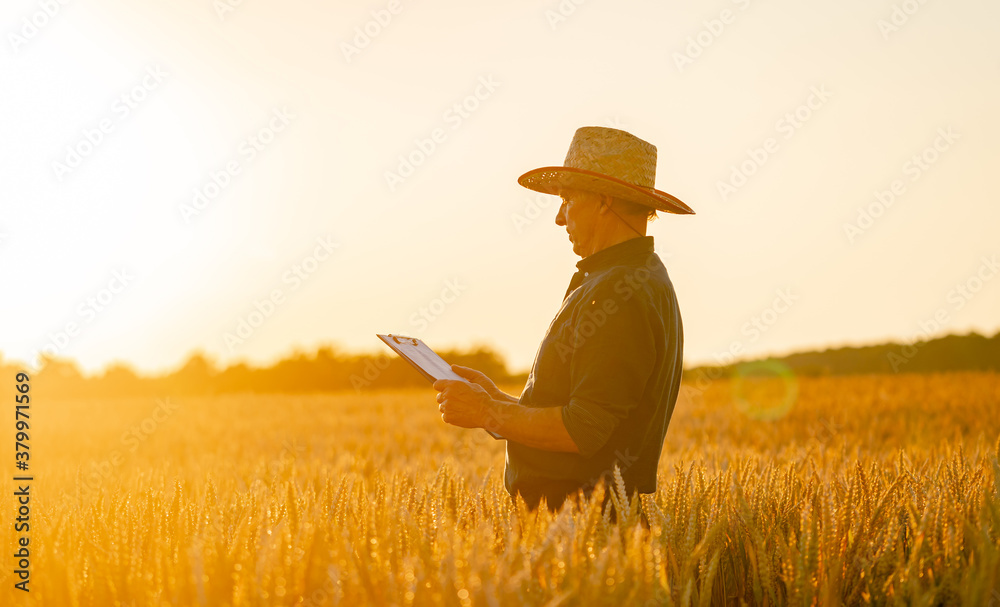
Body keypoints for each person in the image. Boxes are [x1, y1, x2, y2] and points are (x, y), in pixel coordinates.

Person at [433, 126, 694, 510]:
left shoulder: (619, 291)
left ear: (605, 201)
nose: (558, 217)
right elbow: (586, 410)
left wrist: (488, 411)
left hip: (581, 529)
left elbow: (583, 429)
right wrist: (496, 401)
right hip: (581, 529)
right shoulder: (632, 277)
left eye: (567, 199)